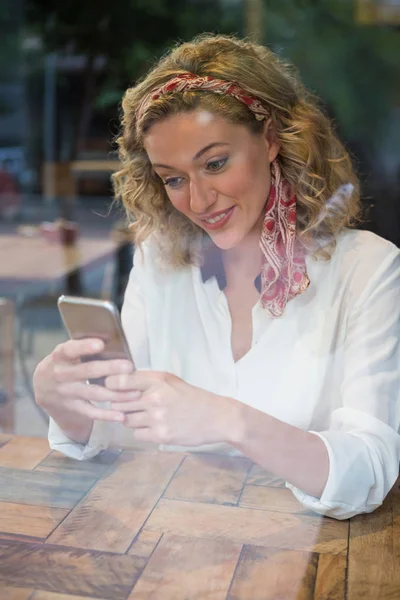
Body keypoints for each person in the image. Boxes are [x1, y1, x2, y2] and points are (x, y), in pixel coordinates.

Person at [34, 34, 400, 520]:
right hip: (171, 547)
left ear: (271, 139)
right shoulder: (159, 259)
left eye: (215, 164)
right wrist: (64, 401)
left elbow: (369, 472)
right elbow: (115, 430)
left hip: (309, 563)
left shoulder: (368, 269)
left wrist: (228, 420)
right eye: (174, 178)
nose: (199, 201)